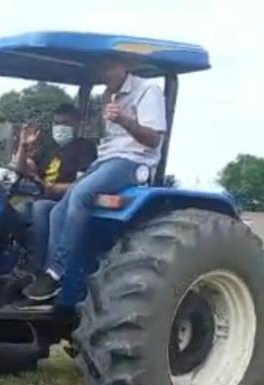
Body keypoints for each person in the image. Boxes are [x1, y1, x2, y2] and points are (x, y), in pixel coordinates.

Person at [23, 58, 168, 302]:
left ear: (125, 65)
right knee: (57, 211)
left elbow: (154, 139)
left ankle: (57, 271)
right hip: (107, 159)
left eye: (108, 66)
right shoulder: (107, 95)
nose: (104, 72)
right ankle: (48, 275)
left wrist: (123, 119)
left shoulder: (148, 91)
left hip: (133, 161)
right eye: (101, 68)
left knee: (81, 194)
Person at [10, 103, 97, 268]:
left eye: (65, 123)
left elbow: (82, 184)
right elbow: (22, 168)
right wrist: (23, 145)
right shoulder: (49, 148)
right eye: (56, 123)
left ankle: (40, 267)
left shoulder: (85, 148)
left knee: (40, 209)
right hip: (41, 196)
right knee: (16, 210)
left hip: (67, 202)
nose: (59, 128)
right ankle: (14, 265)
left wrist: (54, 189)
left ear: (76, 124)